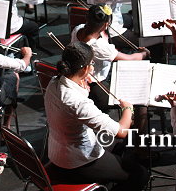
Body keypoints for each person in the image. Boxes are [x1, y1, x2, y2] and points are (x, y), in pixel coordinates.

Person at [44, 43, 148, 191]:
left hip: (58, 152)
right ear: (85, 68)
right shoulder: (78, 103)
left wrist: (83, 89)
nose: (93, 66)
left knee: (117, 145)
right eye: (92, 63)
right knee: (140, 174)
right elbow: (122, 131)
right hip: (78, 162)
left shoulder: (54, 81)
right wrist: (128, 109)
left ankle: (110, 176)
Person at [71, 4, 149, 112]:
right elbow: (130, 58)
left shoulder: (78, 29)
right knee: (140, 100)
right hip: (96, 84)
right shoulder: (99, 46)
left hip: (79, 75)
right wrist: (144, 53)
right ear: (106, 25)